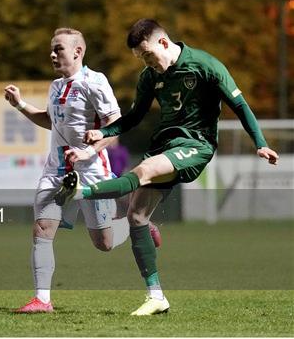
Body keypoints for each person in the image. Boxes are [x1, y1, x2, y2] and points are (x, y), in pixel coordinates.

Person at [55, 19, 279, 315]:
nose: (148, 63)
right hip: (165, 145)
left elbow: (240, 105)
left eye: (148, 55)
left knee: (143, 170)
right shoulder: (150, 76)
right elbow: (134, 117)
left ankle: (80, 192)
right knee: (136, 217)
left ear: (163, 42)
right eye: (141, 59)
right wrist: (105, 133)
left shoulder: (205, 65)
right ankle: (156, 297)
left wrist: (260, 142)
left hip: (196, 146)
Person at [5, 27, 134, 313]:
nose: (52, 54)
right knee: (42, 228)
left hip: (91, 174)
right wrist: (21, 105)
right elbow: (51, 121)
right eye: (51, 49)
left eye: (58, 49)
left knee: (104, 243)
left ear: (78, 51)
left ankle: (138, 223)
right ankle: (42, 300)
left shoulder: (95, 82)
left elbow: (116, 126)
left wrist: (89, 150)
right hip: (56, 171)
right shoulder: (55, 86)